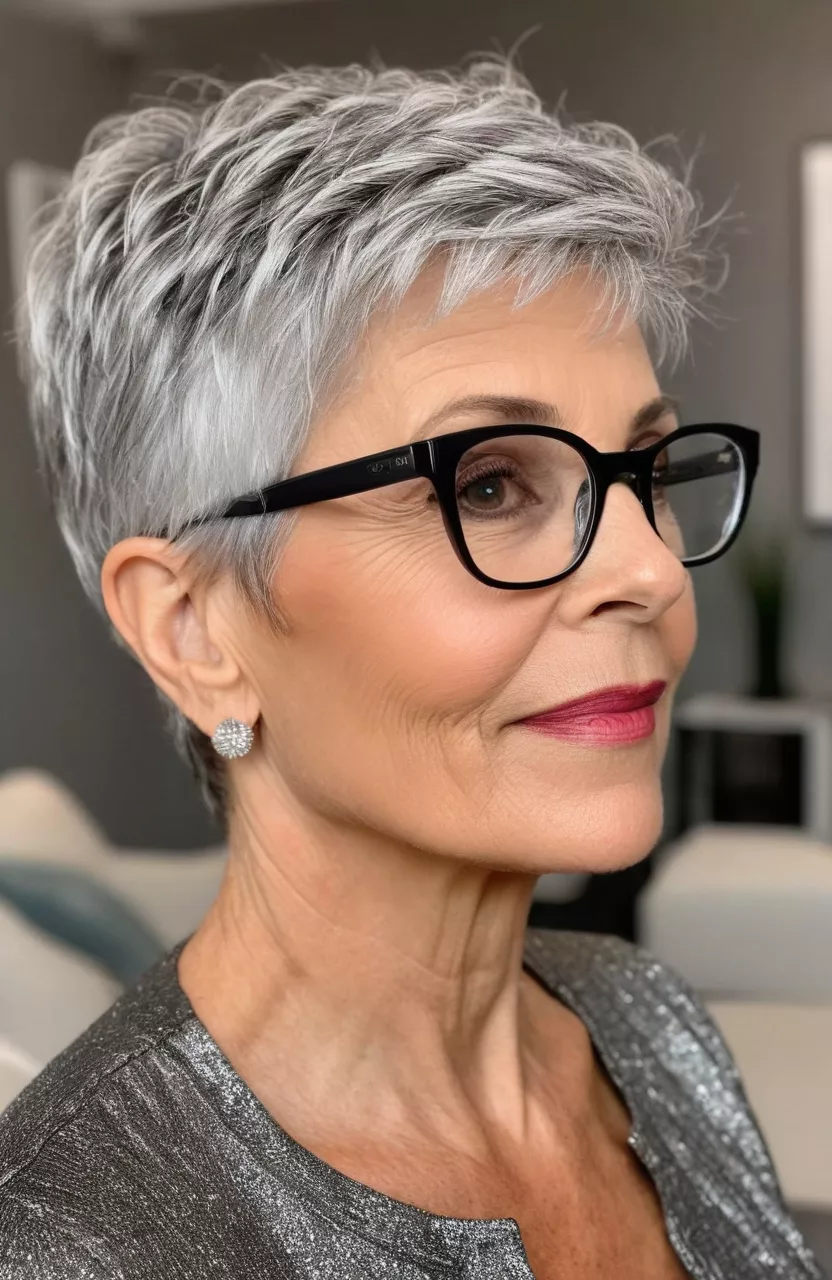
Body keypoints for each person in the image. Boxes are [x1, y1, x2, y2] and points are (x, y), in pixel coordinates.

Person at [0, 57, 822, 1280]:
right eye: (491, 485)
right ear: (192, 630)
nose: (651, 571)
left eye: (643, 475)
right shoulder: (79, 1237)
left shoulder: (646, 1022)